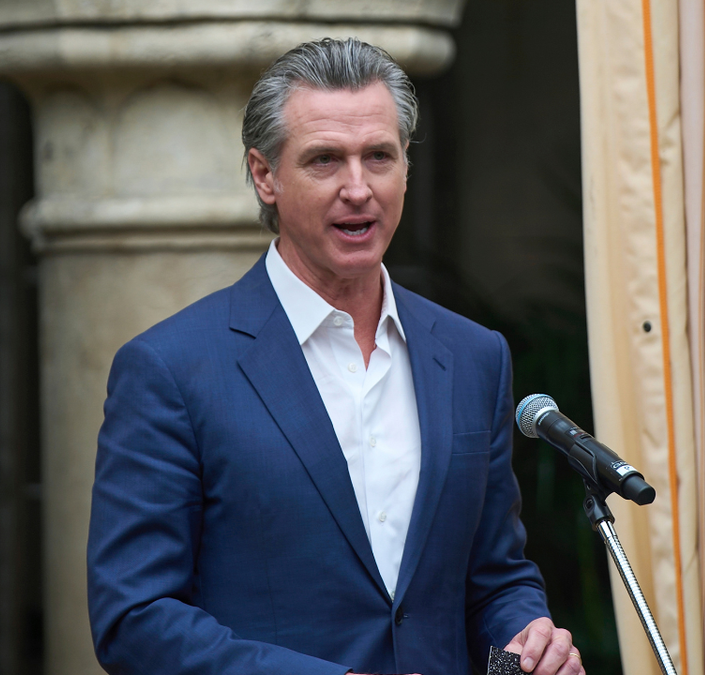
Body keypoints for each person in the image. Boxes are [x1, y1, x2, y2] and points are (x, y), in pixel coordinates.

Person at [87, 38, 584, 675]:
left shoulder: (473, 356)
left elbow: (495, 577)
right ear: (265, 175)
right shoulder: (170, 369)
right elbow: (135, 617)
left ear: (406, 166)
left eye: (379, 156)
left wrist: (529, 636)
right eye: (325, 160)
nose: (358, 188)